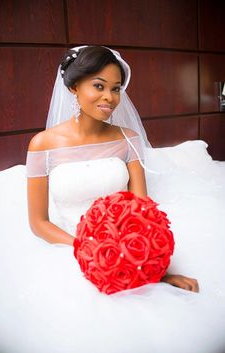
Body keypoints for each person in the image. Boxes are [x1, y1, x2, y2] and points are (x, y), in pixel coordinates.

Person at [27, 45, 198, 292]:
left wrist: (157, 269)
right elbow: (38, 222)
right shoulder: (42, 144)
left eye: (115, 88)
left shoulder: (128, 139)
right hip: (68, 249)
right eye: (99, 85)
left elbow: (143, 210)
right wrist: (86, 249)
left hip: (127, 249)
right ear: (73, 87)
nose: (109, 97)